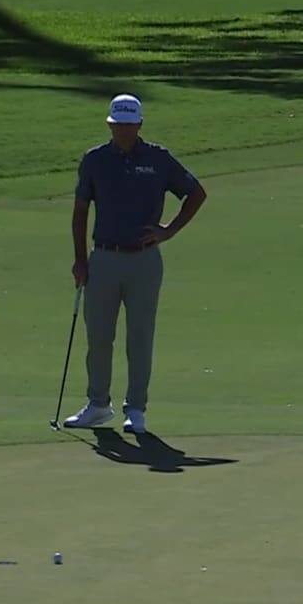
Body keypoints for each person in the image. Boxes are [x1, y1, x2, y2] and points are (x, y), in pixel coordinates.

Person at [63, 93, 208, 435]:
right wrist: (80, 260)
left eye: (128, 125)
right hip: (103, 258)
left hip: (144, 261)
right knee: (99, 336)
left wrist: (168, 231)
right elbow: (81, 210)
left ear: (139, 124)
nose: (122, 131)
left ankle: (136, 409)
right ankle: (98, 405)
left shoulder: (158, 159)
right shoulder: (95, 160)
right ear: (110, 125)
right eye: (117, 125)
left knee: (140, 337)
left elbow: (196, 193)